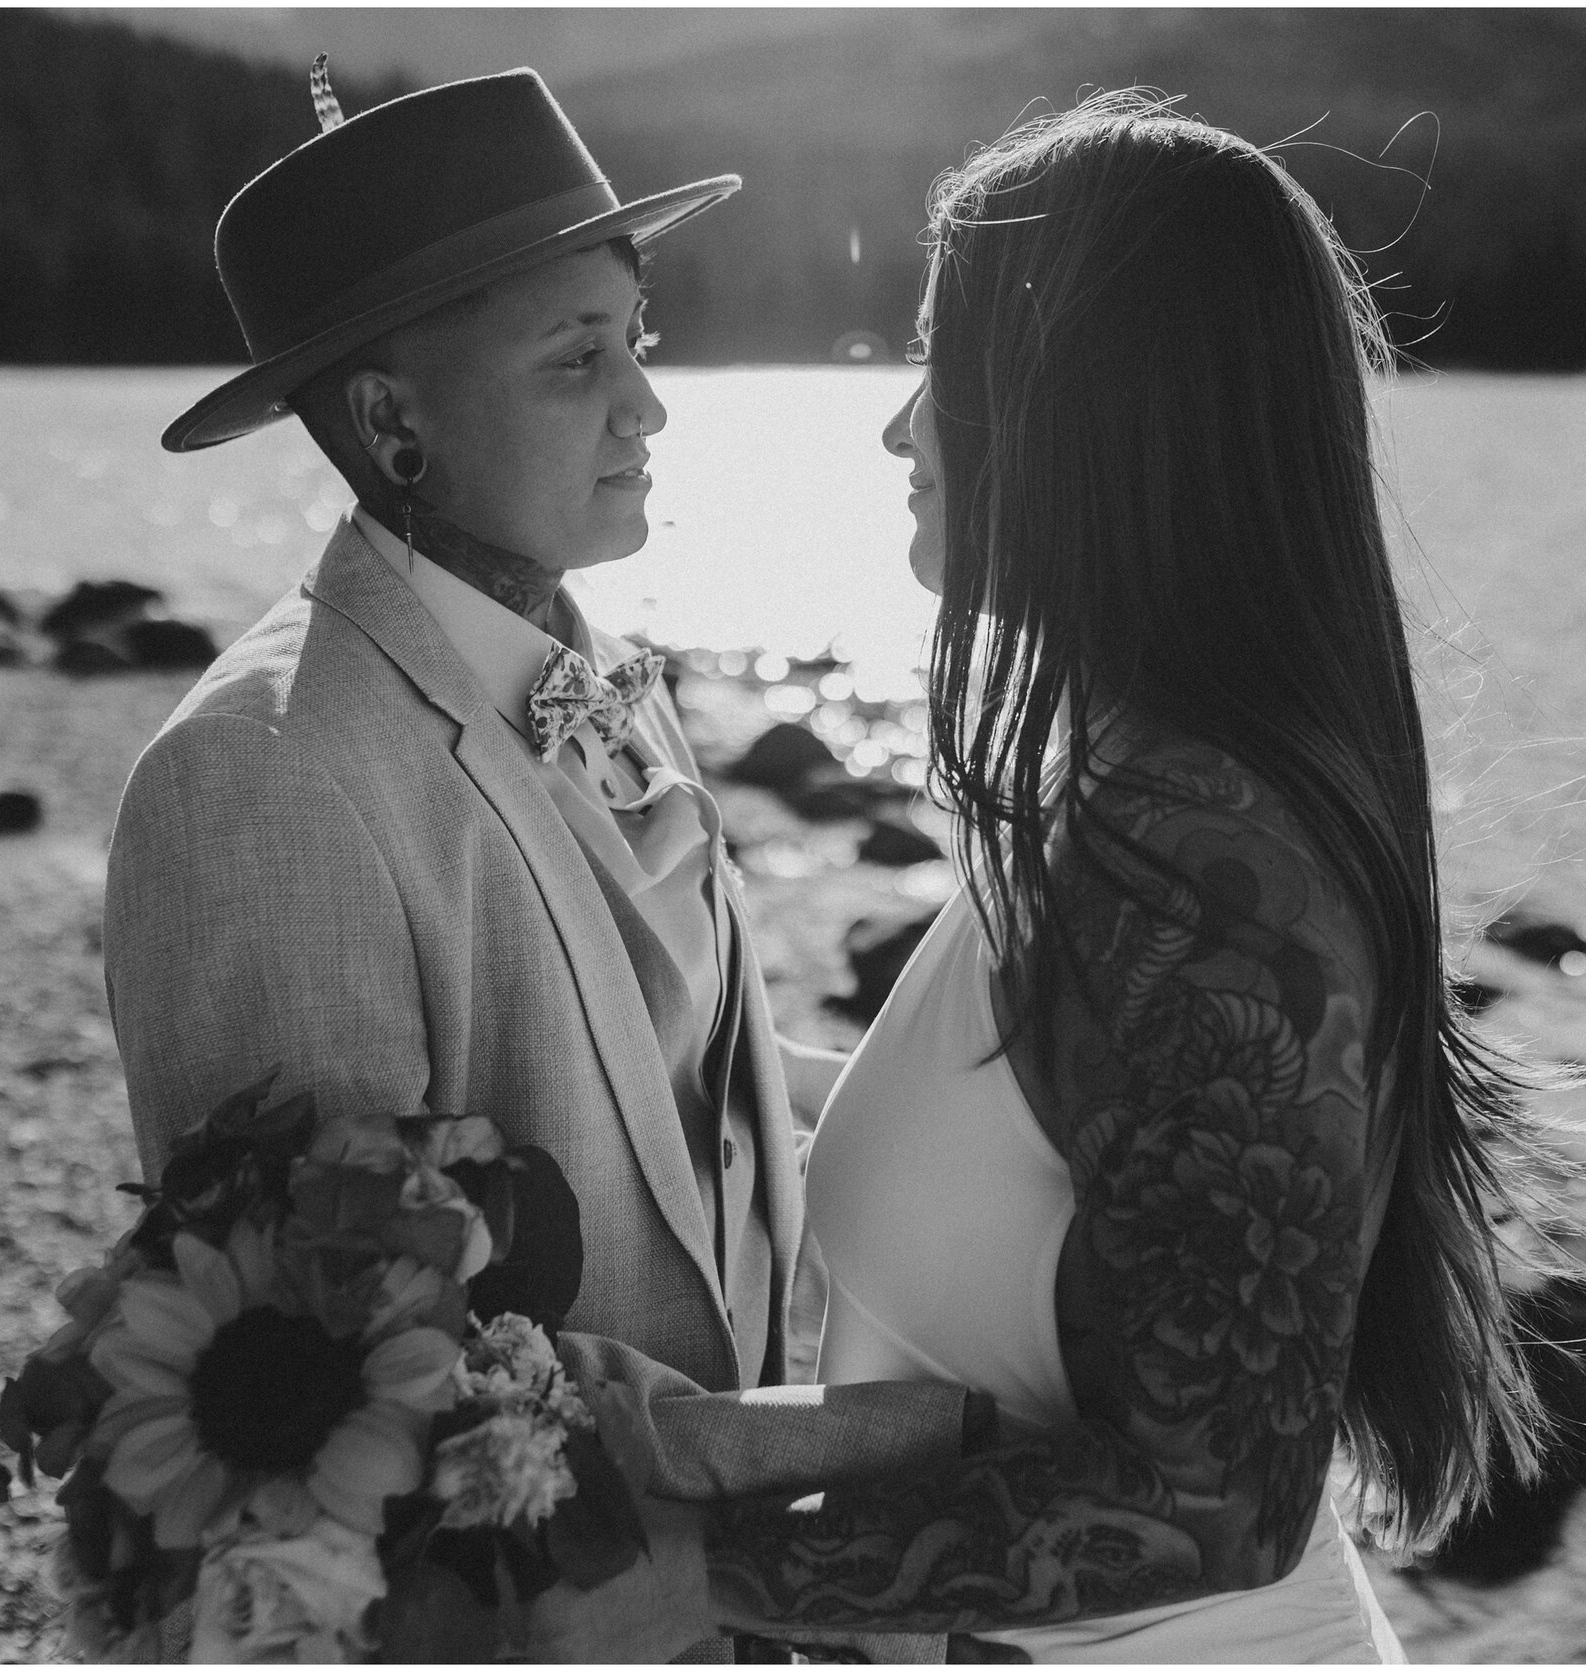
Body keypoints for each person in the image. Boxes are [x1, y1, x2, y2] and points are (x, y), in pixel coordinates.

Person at [626, 91, 1586, 1662]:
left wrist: (682, 1581)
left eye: (942, 366)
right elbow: (1021, 1164)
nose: (896, 427)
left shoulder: (1196, 863)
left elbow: (1216, 1507)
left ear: (1079, 408)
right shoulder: (1133, 801)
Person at [102, 66, 987, 1661]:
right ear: (392, 424)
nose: (647, 403)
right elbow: (332, 1370)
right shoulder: (263, 779)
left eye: (635, 339)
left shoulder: (586, 658)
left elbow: (685, 1075)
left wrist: (977, 1116)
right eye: (578, 358)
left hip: (720, 1597)